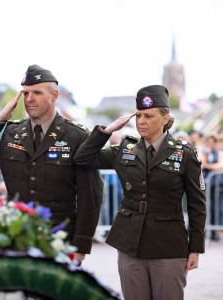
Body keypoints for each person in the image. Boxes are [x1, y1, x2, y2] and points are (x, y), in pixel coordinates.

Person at [74, 85, 206, 300]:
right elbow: (83, 159)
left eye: (148, 116)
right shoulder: (125, 149)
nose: (141, 121)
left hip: (169, 244)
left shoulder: (184, 154)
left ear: (165, 118)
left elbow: (197, 204)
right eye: (138, 116)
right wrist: (107, 132)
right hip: (129, 242)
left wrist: (196, 248)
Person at [0, 65, 103, 262]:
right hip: (16, 235)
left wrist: (80, 246)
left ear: (54, 96)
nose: (29, 99)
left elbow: (91, 194)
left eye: (37, 93)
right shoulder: (9, 132)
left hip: (58, 237)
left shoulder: (77, 136)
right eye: (26, 93)